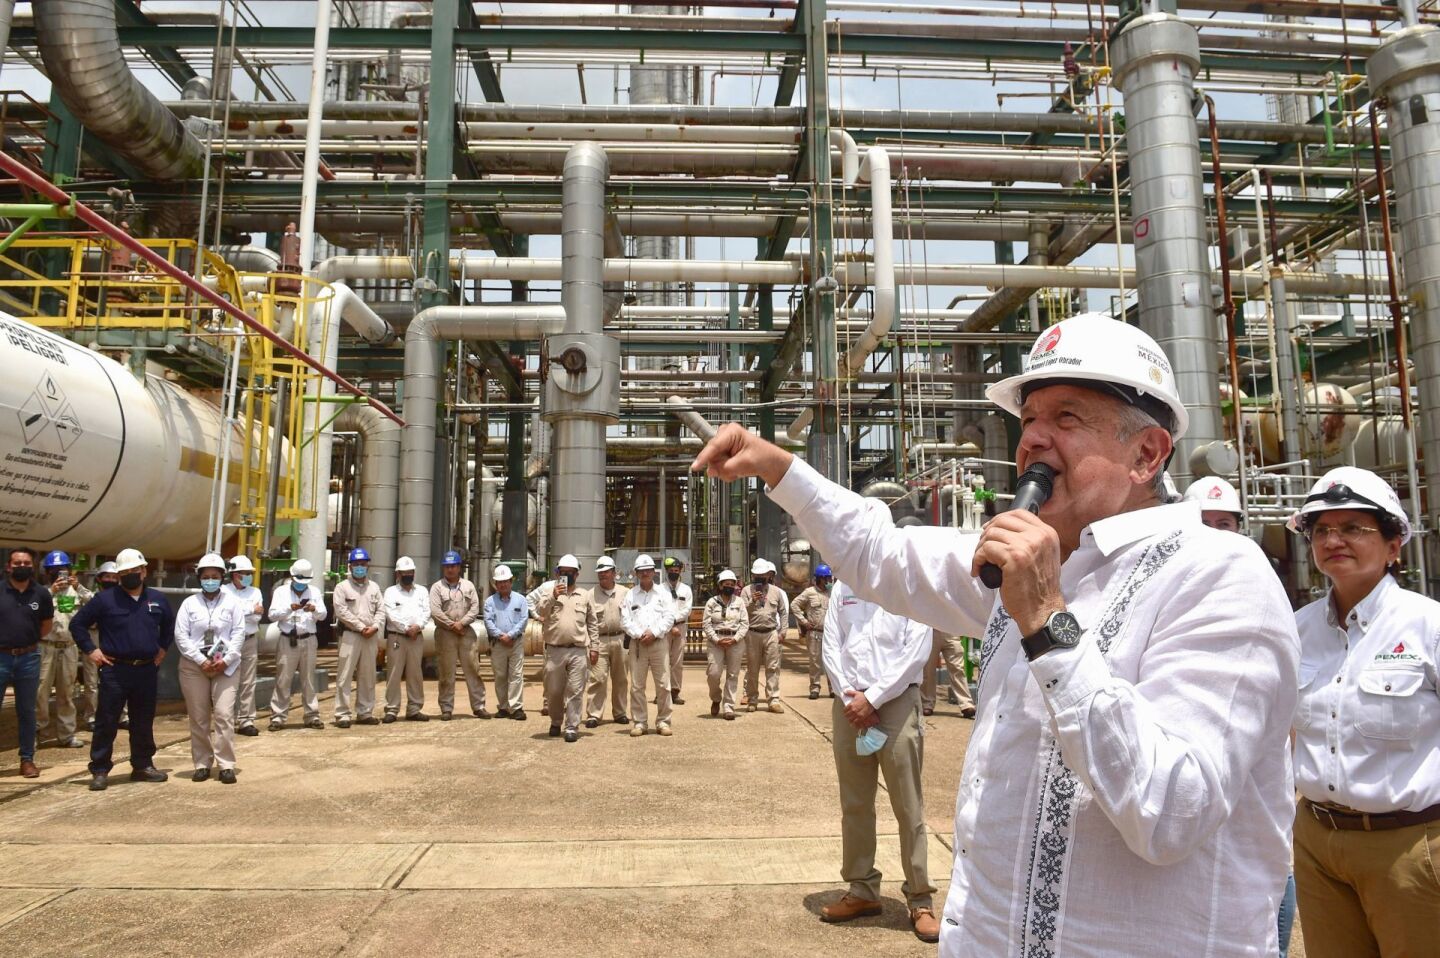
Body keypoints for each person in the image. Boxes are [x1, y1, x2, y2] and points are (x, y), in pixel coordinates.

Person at [692, 312, 1300, 957]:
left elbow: (1173, 809)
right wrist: (781, 468)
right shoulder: (1032, 558)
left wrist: (1046, 620)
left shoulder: (1218, 575)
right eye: (1029, 419)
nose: (1033, 439)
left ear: (1146, 454)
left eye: (1067, 419)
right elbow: (879, 555)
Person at [1287, 467, 1440, 958]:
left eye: (1354, 528)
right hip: (1317, 843)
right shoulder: (1297, 630)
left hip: (1411, 846)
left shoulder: (1426, 626)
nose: (1335, 539)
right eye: (1322, 530)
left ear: (1394, 545)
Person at [820, 579, 939, 942]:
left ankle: (920, 898)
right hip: (849, 704)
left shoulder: (910, 586)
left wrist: (873, 698)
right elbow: (831, 645)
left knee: (907, 804)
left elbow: (916, 651)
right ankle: (862, 890)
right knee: (855, 802)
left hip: (896, 704)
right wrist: (849, 696)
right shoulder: (843, 587)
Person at [69, 547, 175, 791]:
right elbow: (78, 624)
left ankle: (142, 765)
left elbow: (169, 626)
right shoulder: (105, 600)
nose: (130, 575)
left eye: (135, 571)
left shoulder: (157, 599)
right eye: (125, 572)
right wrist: (91, 650)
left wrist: (162, 649)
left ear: (144, 571)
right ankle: (100, 769)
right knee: (107, 720)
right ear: (118, 575)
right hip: (115, 670)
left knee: (143, 720)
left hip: (146, 670)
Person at [174, 554, 246, 784]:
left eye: (215, 577)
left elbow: (238, 633)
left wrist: (227, 659)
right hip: (195, 666)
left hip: (226, 666)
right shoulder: (189, 604)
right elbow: (181, 636)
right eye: (206, 577)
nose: (210, 580)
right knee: (199, 716)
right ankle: (203, 763)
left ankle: (226, 764)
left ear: (222, 578)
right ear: (199, 579)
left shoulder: (232, 603)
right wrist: (199, 659)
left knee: (224, 714)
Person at [536, 553, 599, 742]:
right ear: (558, 573)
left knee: (576, 690)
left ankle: (572, 726)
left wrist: (594, 647)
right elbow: (540, 611)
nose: (567, 575)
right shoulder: (549, 593)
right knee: (554, 690)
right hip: (555, 649)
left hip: (578, 650)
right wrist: (553, 596)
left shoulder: (585, 596)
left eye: (571, 572)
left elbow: (592, 624)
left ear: (577, 574)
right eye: (564, 572)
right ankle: (556, 721)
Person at [2, 546, 52, 779]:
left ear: (32, 567)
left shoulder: (41, 594)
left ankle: (27, 759)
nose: (21, 567)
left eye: (26, 563)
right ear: (8, 566)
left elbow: (46, 626)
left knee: (27, 711)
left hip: (28, 658)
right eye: (17, 563)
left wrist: (26, 642)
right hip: (0, 656)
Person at [267, 558, 326, 731]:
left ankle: (312, 715)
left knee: (308, 679)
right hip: (288, 638)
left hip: (308, 638)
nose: (301, 585)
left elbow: (323, 615)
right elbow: (272, 615)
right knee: (283, 679)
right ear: (292, 577)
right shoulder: (281, 592)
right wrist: (289, 609)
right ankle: (278, 716)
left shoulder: (314, 591)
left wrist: (313, 609)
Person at [621, 554, 676, 737]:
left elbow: (669, 617)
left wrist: (654, 632)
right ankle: (639, 722)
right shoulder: (630, 595)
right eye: (641, 571)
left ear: (654, 572)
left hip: (659, 643)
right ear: (636, 573)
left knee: (663, 684)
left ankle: (663, 721)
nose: (645, 573)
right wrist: (639, 634)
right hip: (637, 645)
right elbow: (625, 620)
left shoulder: (663, 593)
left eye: (648, 570)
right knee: (637, 686)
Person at [430, 550, 489, 721]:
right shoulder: (437, 587)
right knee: (446, 672)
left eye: (453, 566)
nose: (450, 569)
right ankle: (446, 708)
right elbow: (435, 611)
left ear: (459, 567)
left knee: (473, 670)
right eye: (447, 566)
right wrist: (452, 625)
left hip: (466, 632)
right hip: (445, 633)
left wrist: (461, 624)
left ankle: (479, 706)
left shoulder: (468, 586)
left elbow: (475, 608)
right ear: (443, 568)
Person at [37, 550, 86, 748]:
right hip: (46, 647)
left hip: (68, 647)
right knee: (40, 692)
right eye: (54, 571)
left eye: (62, 570)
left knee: (66, 692)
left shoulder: (77, 592)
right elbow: (31, 609)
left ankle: (66, 734)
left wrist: (79, 587)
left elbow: (96, 605)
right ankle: (38, 731)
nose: (59, 574)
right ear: (47, 573)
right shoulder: (42, 592)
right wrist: (51, 591)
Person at [331, 548, 383, 728]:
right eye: (356, 564)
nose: (360, 567)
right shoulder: (342, 587)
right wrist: (361, 627)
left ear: (367, 565)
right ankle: (342, 714)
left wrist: (374, 626)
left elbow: (381, 611)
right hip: (350, 635)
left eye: (363, 564)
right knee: (344, 675)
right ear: (350, 566)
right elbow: (341, 611)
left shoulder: (374, 588)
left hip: (370, 636)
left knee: (368, 675)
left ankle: (365, 712)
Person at [383, 556, 430, 722]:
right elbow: (390, 614)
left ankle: (414, 708)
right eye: (404, 573)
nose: (407, 575)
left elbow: (426, 612)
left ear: (414, 572)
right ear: (397, 574)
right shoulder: (390, 592)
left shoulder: (422, 591)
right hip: (397, 637)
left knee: (415, 673)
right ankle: (391, 709)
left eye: (410, 572)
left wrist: (418, 627)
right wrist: (406, 628)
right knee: (394, 673)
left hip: (416, 637)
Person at [584, 555, 628, 727]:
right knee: (598, 678)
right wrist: (591, 645)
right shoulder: (590, 595)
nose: (603, 575)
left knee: (621, 678)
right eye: (600, 572)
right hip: (599, 641)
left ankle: (620, 713)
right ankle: (594, 714)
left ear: (614, 573)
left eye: (606, 572)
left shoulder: (626, 593)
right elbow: (587, 621)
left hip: (621, 639)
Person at [223, 555, 264, 736]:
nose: (248, 576)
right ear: (234, 575)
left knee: (248, 681)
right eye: (244, 573)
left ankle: (246, 720)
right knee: (226, 680)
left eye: (250, 573)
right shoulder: (224, 591)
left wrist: (241, 611)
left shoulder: (255, 592)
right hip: (230, 641)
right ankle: (226, 719)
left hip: (249, 639)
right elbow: (227, 616)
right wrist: (248, 610)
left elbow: (257, 616)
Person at [76, 560, 118, 731]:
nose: (110, 580)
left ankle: (121, 715)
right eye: (107, 576)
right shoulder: (91, 597)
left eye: (114, 577)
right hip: (94, 636)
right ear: (100, 579)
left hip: (114, 637)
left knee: (118, 678)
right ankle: (91, 716)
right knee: (91, 680)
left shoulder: (122, 598)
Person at [483, 564, 528, 720]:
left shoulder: (521, 600)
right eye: (499, 582)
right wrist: (501, 636)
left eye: (505, 581)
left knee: (516, 674)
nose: (502, 584)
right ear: (495, 584)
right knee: (500, 675)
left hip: (515, 642)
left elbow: (523, 620)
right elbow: (488, 622)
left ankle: (516, 708)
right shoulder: (490, 602)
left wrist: (511, 635)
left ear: (511, 581)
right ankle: (503, 707)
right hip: (498, 643)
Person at [702, 569, 748, 720]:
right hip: (716, 641)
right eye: (726, 584)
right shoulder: (712, 602)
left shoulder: (739, 602)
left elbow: (744, 623)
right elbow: (706, 624)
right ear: (720, 586)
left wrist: (735, 639)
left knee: (733, 674)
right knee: (713, 674)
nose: (729, 586)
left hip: (735, 641)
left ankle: (729, 707)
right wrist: (716, 639)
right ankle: (716, 698)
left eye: (732, 584)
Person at [742, 558, 787, 714]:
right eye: (757, 575)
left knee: (773, 668)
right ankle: (752, 699)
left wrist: (783, 631)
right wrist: (752, 601)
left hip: (771, 632)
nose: (760, 578)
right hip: (752, 633)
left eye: (763, 575)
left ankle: (773, 700)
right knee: (752, 668)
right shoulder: (747, 591)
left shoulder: (776, 592)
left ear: (768, 575)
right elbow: (740, 611)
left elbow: (783, 611)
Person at [792, 564, 833, 700]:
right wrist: (804, 622)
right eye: (826, 578)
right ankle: (815, 688)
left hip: (830, 633)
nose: (829, 581)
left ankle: (833, 688)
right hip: (815, 633)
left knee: (831, 661)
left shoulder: (832, 593)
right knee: (815, 662)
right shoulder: (809, 592)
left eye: (829, 578)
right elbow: (794, 605)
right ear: (820, 579)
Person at [920, 632, 977, 719]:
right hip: (931, 631)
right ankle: (927, 703)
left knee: (957, 668)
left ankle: (966, 704)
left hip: (951, 632)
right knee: (928, 670)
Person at [661, 556, 693, 705]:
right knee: (662, 661)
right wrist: (669, 624)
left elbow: (687, 609)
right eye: (671, 570)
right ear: (666, 571)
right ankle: (661, 692)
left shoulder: (686, 590)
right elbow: (659, 609)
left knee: (677, 662)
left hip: (680, 627)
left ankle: (675, 692)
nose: (673, 572)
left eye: (676, 570)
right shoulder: (659, 589)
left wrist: (674, 622)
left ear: (680, 571)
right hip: (663, 628)